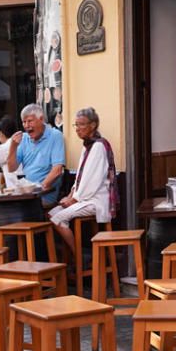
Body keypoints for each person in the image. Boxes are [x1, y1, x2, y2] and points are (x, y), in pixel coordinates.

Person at [48, 107, 117, 256]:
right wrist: (71, 195)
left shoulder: (98, 146)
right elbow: (79, 177)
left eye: (81, 125)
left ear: (92, 125)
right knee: (51, 213)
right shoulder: (88, 146)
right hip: (84, 198)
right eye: (76, 125)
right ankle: (77, 256)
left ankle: (79, 256)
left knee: (57, 218)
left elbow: (92, 182)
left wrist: (73, 199)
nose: (77, 129)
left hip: (95, 200)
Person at [7, 103, 66, 207]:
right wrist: (13, 146)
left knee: (15, 210)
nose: (26, 125)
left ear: (41, 119)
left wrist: (39, 188)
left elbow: (57, 171)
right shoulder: (24, 138)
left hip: (44, 194)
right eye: (24, 122)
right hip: (27, 193)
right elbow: (11, 168)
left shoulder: (55, 135)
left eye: (30, 121)